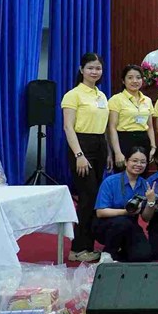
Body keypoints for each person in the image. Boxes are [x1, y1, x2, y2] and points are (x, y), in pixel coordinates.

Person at [61, 53, 109, 262]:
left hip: (99, 145)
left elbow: (104, 126)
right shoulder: (73, 95)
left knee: (94, 198)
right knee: (86, 198)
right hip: (81, 147)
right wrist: (79, 154)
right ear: (81, 70)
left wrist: (107, 152)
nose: (94, 72)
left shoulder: (101, 95)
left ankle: (87, 246)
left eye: (98, 68)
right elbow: (67, 127)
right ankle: (77, 249)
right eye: (90, 68)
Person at [93, 147, 155, 263]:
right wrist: (126, 212)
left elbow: (146, 218)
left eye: (142, 162)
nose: (138, 164)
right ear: (126, 162)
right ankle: (108, 254)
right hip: (106, 225)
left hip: (130, 226)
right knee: (122, 222)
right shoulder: (110, 181)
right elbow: (100, 212)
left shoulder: (144, 184)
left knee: (144, 256)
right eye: (134, 161)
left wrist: (151, 202)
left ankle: (120, 252)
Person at [108, 65, 156, 172]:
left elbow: (150, 127)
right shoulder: (116, 99)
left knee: (141, 174)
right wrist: (117, 152)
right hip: (124, 140)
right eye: (130, 78)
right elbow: (112, 128)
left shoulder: (147, 100)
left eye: (138, 77)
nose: (135, 81)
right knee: (123, 177)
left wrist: (153, 147)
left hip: (143, 140)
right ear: (123, 81)